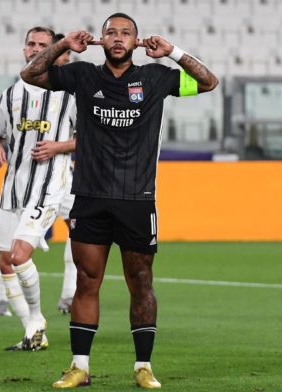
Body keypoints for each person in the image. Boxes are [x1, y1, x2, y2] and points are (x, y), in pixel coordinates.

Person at [20, 13, 218, 388]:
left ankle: (143, 366)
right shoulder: (83, 76)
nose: (117, 38)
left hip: (137, 199)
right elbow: (30, 75)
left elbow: (209, 82)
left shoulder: (157, 78)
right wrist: (63, 45)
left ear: (137, 42)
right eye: (111, 32)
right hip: (90, 197)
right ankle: (80, 366)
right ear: (100, 39)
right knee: (87, 280)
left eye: (126, 33)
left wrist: (172, 51)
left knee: (141, 281)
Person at [0, 26, 77, 351]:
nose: (34, 49)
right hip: (14, 189)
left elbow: (91, 139)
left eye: (42, 45)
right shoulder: (11, 94)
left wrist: (59, 147)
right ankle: (31, 332)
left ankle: (39, 317)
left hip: (50, 186)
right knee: (4, 261)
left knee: (20, 254)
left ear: (54, 51)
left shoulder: (70, 93)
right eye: (30, 44)